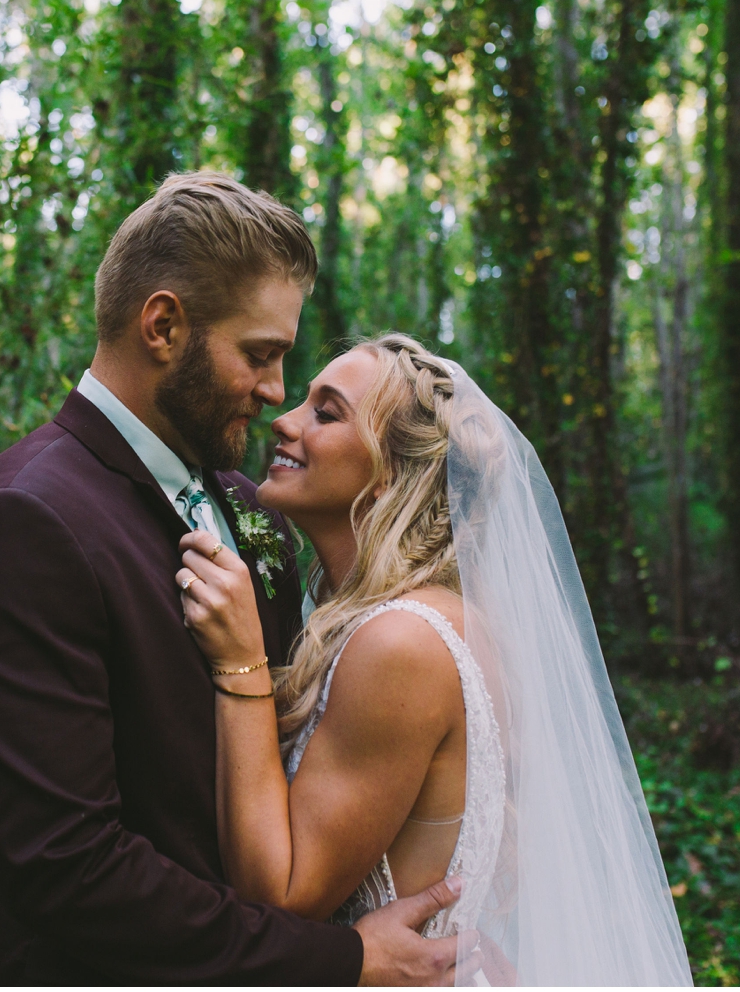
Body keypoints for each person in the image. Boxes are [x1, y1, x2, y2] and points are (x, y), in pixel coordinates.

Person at [0, 173, 463, 984]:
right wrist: (337, 959)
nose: (277, 391)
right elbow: (68, 872)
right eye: (260, 354)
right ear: (165, 326)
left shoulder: (255, 508)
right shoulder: (22, 521)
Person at [176, 334, 694, 985]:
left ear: (392, 472)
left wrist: (240, 663)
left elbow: (282, 893)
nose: (284, 418)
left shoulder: (402, 642)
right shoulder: (439, 619)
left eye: (326, 412)